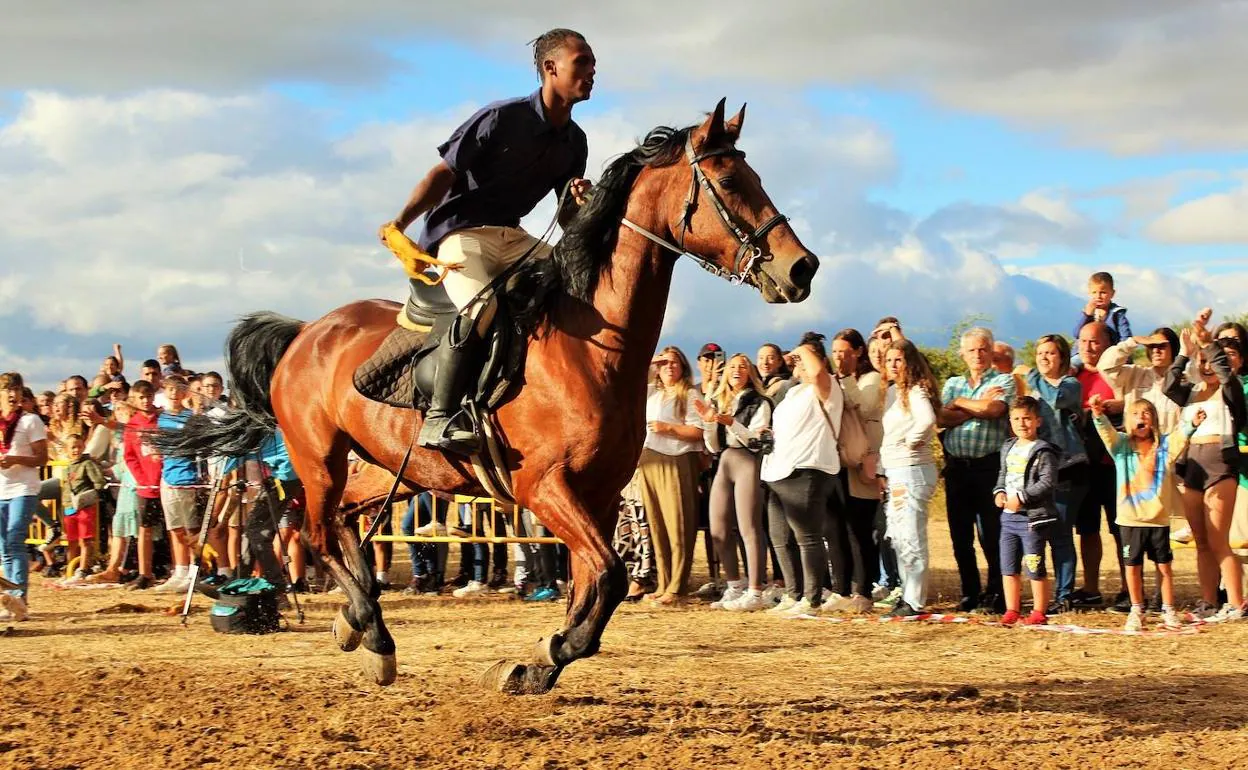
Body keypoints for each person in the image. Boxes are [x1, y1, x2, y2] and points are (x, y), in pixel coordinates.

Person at [381, 28, 595, 456]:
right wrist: (400, 223)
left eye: (593, 64)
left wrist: (578, 204)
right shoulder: (500, 117)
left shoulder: (576, 141)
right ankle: (439, 417)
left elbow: (565, 219)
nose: (591, 72)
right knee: (481, 306)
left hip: (512, 237)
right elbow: (442, 174)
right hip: (461, 234)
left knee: (579, 287)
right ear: (551, 69)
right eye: (582, 63)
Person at [1164, 312, 1246, 620]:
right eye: (1202, 362)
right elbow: (1169, 384)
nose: (1207, 366)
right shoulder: (1192, 392)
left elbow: (1226, 374)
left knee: (1217, 539)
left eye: (1212, 361)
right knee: (1200, 542)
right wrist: (1185, 353)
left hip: (1220, 464)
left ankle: (1236, 604)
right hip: (1192, 466)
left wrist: (1209, 344)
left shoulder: (1230, 390)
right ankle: (1209, 602)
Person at [1092, 397, 1197, 631]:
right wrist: (1099, 415)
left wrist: (1192, 424)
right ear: (1129, 420)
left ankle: (1168, 610)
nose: (1141, 418)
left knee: (1164, 567)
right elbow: (1106, 432)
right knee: (1132, 567)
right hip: (1130, 520)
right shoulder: (1121, 447)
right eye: (1136, 413)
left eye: (1147, 413)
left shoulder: (1164, 447)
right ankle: (1136, 609)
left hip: (1158, 520)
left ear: (1154, 420)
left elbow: (1181, 437)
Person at [761, 332, 845, 617]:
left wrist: (802, 348)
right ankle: (793, 594)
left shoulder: (828, 386)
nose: (796, 364)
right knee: (780, 538)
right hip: (778, 470)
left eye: (801, 359)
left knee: (807, 537)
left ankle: (811, 599)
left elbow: (819, 371)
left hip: (809, 469)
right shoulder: (794, 391)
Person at [939, 327, 1017, 613]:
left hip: (989, 467)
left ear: (992, 351)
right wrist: (974, 404)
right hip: (957, 468)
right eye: (971, 350)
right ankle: (969, 592)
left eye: (983, 349)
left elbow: (995, 411)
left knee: (992, 534)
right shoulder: (953, 384)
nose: (977, 354)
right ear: (962, 354)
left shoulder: (1004, 380)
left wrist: (961, 405)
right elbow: (942, 417)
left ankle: (996, 593)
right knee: (961, 537)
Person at [693, 353, 772, 612]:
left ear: (750, 373)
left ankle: (755, 590)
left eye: (743, 366)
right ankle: (734, 584)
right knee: (718, 529)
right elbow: (713, 445)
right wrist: (709, 423)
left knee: (749, 528)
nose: (737, 370)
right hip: (724, 460)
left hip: (747, 460)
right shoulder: (718, 399)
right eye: (733, 366)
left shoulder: (759, 402)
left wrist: (731, 422)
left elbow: (755, 441)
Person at [637, 346, 704, 605]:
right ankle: (664, 583)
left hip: (676, 458)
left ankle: (677, 586)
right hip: (649, 459)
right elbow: (635, 375)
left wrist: (669, 428)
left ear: (683, 367)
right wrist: (652, 359)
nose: (669, 368)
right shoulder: (652, 393)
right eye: (664, 364)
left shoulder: (688, 393)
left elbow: (699, 431)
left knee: (678, 525)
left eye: (674, 363)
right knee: (657, 525)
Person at [992, 397, 1058, 626]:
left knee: (1034, 565)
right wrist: (999, 492)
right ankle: (1012, 609)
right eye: (1016, 419)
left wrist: (1021, 498)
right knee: (1008, 566)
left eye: (1027, 418)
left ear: (1038, 421)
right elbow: (1003, 474)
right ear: (1010, 421)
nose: (1022, 423)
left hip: (1032, 519)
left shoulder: (1043, 451)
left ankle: (1039, 611)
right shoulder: (1008, 447)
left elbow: (1047, 483)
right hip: (1008, 519)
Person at [0, 372, 47, 620]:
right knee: (4, 546)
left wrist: (16, 459)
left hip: (24, 488)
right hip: (1, 489)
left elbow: (42, 458)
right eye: (7, 389)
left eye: (16, 389)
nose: (12, 394)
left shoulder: (31, 421)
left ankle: (19, 598)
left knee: (15, 539)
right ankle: (9, 600)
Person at [58, 434, 108, 583]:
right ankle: (70, 568)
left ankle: (83, 568)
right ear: (67, 450)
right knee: (71, 540)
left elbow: (99, 482)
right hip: (69, 507)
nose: (76, 450)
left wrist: (91, 496)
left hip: (84, 507)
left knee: (85, 540)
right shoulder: (66, 468)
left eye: (79, 446)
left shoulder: (87, 464)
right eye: (73, 447)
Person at [1072, 271, 1132, 346]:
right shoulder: (1087, 312)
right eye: (1094, 292)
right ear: (1089, 293)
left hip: (1109, 351)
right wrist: (1087, 316)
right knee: (1076, 357)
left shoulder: (1117, 314)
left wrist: (1119, 351)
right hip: (1087, 350)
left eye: (1103, 292)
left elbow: (1126, 337)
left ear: (1112, 294)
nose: (1098, 296)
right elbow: (1076, 334)